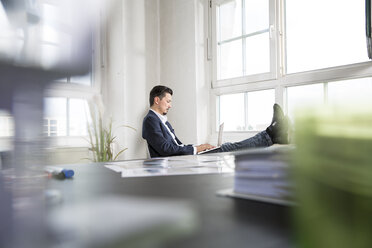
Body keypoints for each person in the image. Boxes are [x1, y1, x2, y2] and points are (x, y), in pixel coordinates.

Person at [142, 85, 289, 158]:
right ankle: (271, 135)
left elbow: (176, 146)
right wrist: (197, 149)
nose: (170, 105)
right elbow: (165, 149)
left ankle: (273, 135)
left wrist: (198, 147)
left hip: (181, 159)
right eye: (167, 101)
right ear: (157, 100)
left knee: (226, 147)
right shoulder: (150, 120)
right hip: (174, 163)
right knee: (227, 148)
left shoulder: (162, 121)